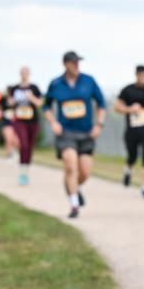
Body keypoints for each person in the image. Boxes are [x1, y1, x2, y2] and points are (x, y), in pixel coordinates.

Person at [43, 51, 106, 219]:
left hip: (86, 133)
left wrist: (99, 124)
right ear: (66, 64)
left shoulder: (88, 81)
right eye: (74, 62)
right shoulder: (56, 84)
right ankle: (74, 204)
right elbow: (46, 107)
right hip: (66, 133)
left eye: (78, 62)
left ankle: (73, 188)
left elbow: (101, 103)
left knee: (84, 172)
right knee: (70, 166)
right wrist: (53, 122)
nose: (77, 65)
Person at [115, 64, 144, 199]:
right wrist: (129, 109)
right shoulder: (128, 90)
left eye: (143, 75)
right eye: (139, 75)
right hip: (132, 130)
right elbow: (117, 106)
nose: (141, 77)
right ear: (136, 75)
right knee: (133, 156)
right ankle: (128, 171)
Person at [5, 67, 44, 186]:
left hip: (32, 120)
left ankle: (26, 170)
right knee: (24, 144)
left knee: (30, 147)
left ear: (29, 74)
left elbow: (40, 103)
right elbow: (9, 103)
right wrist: (15, 100)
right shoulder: (15, 88)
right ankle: (22, 172)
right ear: (20, 74)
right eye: (22, 72)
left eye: (26, 72)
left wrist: (31, 98)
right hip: (19, 120)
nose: (24, 75)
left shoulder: (34, 88)